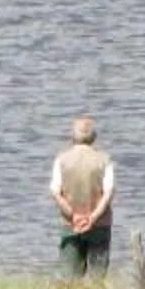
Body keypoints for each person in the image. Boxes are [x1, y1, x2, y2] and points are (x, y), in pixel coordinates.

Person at [49, 117, 115, 280]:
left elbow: (55, 192)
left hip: (71, 225)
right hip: (100, 225)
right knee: (97, 278)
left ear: (72, 136)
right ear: (94, 137)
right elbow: (108, 193)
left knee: (69, 278)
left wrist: (73, 216)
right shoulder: (104, 160)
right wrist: (92, 218)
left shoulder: (62, 159)